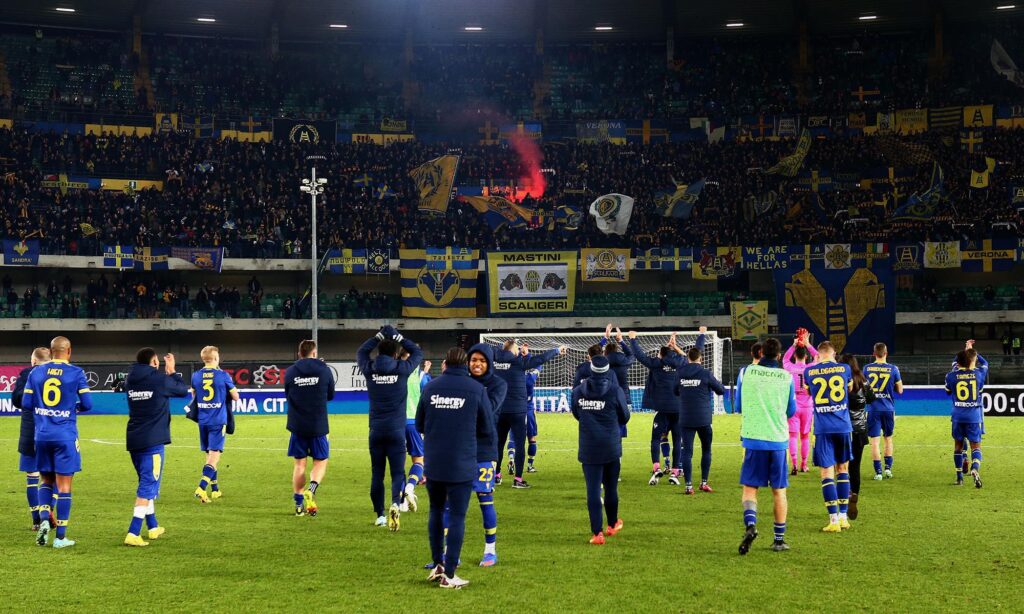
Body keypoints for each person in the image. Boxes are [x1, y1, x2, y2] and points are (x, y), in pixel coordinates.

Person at [417, 347, 495, 589]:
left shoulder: (430, 387)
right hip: (461, 462)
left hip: (435, 461)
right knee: (458, 517)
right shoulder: (476, 389)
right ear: (465, 364)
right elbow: (486, 428)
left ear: (445, 363)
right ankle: (449, 575)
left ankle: (437, 565)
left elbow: (419, 422)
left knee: (436, 511)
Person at [21, 336, 93, 548]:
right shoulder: (76, 373)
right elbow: (88, 404)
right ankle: (60, 537)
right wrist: (71, 408)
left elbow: (26, 402)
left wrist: (45, 411)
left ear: (51, 352)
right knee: (64, 487)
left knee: (46, 481)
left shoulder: (36, 372)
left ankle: (44, 519)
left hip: (42, 435)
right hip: (65, 435)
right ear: (69, 351)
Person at [123, 348, 191, 546]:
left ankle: (152, 527)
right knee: (147, 485)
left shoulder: (130, 380)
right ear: (154, 362)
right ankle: (133, 532)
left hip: (134, 438)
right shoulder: (159, 379)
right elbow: (182, 390)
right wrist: (172, 371)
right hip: (153, 440)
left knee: (147, 481)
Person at [357, 325, 423, 530]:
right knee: (397, 473)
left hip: (376, 430)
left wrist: (377, 336)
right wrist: (399, 336)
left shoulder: (370, 369)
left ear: (378, 351)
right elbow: (417, 352)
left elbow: (361, 352)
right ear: (396, 354)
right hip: (396, 430)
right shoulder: (401, 369)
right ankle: (395, 503)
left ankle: (380, 516)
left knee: (377, 474)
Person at [735, 338, 796, 554]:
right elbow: (791, 410)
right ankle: (779, 540)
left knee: (750, 488)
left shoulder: (746, 373)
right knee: (779, 491)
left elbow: (738, 405)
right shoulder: (787, 377)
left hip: (754, 438)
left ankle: (751, 525)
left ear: (760, 353)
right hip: (778, 439)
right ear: (779, 355)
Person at [571, 355, 629, 545]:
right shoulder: (615, 390)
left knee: (593, 490)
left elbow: (576, 413)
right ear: (607, 370)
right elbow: (625, 416)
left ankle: (597, 534)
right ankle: (612, 524)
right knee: (611, 487)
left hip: (589, 447)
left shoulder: (578, 391)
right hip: (611, 446)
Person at [492, 339, 564, 488]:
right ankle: (518, 479)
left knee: (499, 443)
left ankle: (496, 476)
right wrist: (556, 350)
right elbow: (541, 358)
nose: (519, 351)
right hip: (517, 410)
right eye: (517, 349)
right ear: (512, 350)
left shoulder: (495, 362)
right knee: (520, 444)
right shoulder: (519, 362)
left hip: (500, 409)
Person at [803, 341, 854, 533]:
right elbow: (849, 389)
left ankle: (833, 520)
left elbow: (809, 392)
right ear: (833, 353)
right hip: (843, 426)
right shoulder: (844, 368)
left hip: (823, 428)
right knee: (843, 470)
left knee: (826, 473)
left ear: (819, 354)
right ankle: (843, 517)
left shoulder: (810, 371)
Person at [284, 339, 336, 516]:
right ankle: (311, 490)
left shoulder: (290, 371)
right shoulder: (324, 370)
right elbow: (331, 395)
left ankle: (298, 505)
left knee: (299, 465)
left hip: (297, 424)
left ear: (300, 353)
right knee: (320, 461)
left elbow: (287, 394)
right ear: (314, 353)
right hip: (318, 425)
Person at [467, 343, 508, 566]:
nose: (477, 364)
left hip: (484, 448)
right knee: (451, 503)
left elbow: (489, 409)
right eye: (474, 360)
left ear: (489, 363)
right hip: (460, 448)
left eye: (482, 361)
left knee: (485, 499)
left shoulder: (498, 384)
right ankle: (448, 553)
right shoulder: (461, 380)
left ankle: (490, 550)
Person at [629, 332, 684, 485]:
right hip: (678, 408)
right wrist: (674, 348)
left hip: (663, 408)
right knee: (677, 440)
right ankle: (674, 473)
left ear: (660, 354)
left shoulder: (656, 364)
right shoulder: (679, 363)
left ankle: (657, 468)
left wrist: (632, 339)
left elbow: (640, 356)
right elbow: (686, 357)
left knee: (655, 438)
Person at [189, 346, 239, 503]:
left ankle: (215, 489)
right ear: (216, 358)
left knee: (209, 456)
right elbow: (236, 396)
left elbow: (194, 395)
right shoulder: (223, 375)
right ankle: (201, 487)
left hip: (203, 420)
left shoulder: (195, 376)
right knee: (215, 456)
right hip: (218, 421)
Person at [676, 344, 725, 494]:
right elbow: (721, 390)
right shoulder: (705, 373)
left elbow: (674, 390)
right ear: (700, 359)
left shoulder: (680, 372)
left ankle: (688, 486)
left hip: (686, 418)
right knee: (706, 449)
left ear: (688, 358)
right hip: (703, 418)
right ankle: (704, 483)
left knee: (687, 452)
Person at [11, 347, 51, 531]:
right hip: (52, 433)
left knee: (32, 478)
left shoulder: (26, 375)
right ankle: (47, 514)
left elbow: (17, 400)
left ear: (33, 361)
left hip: (30, 434)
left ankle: (37, 520)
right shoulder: (56, 376)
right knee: (53, 478)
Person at [945, 340, 988, 488]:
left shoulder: (951, 375)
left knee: (958, 446)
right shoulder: (978, 374)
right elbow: (985, 364)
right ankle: (975, 469)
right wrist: (972, 350)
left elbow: (948, 391)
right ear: (971, 360)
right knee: (975, 446)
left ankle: (959, 478)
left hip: (957, 415)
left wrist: (964, 353)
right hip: (974, 416)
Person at [840, 354, 875, 521]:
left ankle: (843, 495)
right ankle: (854, 495)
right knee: (855, 467)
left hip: (843, 429)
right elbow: (872, 399)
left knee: (841, 466)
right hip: (860, 429)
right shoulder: (863, 381)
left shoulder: (840, 382)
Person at [864, 343, 902, 481]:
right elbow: (900, 390)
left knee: (874, 441)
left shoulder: (867, 369)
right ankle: (888, 469)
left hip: (873, 409)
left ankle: (878, 472)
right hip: (888, 408)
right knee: (888, 439)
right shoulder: (893, 369)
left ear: (874, 353)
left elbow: (863, 388)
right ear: (886, 353)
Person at [783, 329, 817, 474]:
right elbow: (818, 357)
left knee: (792, 435)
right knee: (805, 436)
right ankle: (804, 465)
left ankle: (794, 464)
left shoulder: (790, 367)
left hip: (793, 405)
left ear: (795, 355)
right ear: (807, 356)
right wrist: (808, 344)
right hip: (808, 406)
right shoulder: (811, 368)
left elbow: (784, 359)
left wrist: (793, 345)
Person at [400, 358, 431, 513]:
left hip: (396, 423)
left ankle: (401, 502)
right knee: (419, 460)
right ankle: (410, 487)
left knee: (397, 463)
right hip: (415, 423)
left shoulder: (397, 374)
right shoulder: (421, 377)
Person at [506, 346, 542, 473]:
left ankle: (511, 460)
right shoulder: (530, 378)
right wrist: (529, 355)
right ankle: (530, 465)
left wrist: (521, 354)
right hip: (528, 410)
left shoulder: (513, 377)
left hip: (514, 409)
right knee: (531, 438)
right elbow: (538, 364)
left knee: (512, 439)